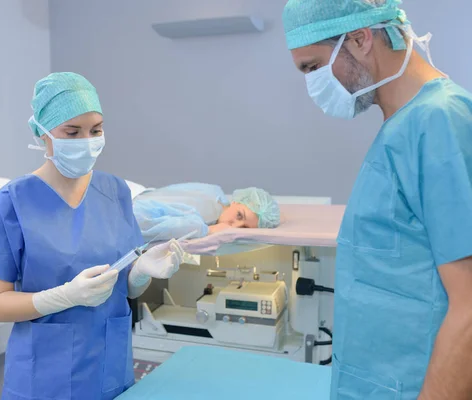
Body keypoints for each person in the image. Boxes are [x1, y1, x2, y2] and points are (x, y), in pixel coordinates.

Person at [282, 0, 472, 398]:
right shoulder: (402, 126)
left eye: (312, 67)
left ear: (360, 38)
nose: (312, 85)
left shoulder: (439, 121)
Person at [0, 72, 184, 400]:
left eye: (96, 130)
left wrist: (143, 273)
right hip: (45, 374)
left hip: (109, 363)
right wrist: (66, 296)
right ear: (43, 133)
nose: (86, 141)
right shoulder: (13, 202)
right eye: (72, 132)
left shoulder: (115, 191)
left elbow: (125, 286)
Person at [133, 183, 280, 242]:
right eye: (239, 215)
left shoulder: (215, 191)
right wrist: (208, 230)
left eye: (244, 228)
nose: (234, 225)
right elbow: (139, 221)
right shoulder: (205, 215)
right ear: (236, 201)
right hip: (121, 210)